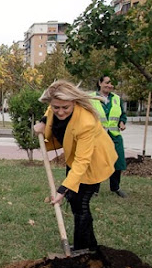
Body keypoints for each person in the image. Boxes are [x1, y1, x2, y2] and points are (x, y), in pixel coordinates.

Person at [34, 80, 117, 252]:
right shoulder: (55, 105)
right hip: (76, 158)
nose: (60, 111)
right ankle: (85, 245)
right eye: (56, 107)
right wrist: (43, 121)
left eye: (65, 107)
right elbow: (50, 111)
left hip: (93, 161)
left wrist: (62, 189)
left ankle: (86, 246)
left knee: (81, 202)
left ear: (74, 102)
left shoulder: (85, 122)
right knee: (75, 200)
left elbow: (82, 162)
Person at [93, 76, 128, 198]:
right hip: (98, 136)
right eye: (107, 83)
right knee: (98, 162)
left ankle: (115, 187)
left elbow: (122, 115)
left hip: (114, 136)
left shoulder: (117, 99)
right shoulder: (91, 98)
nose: (109, 85)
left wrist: (122, 122)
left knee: (117, 162)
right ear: (100, 83)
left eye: (111, 84)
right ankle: (94, 189)